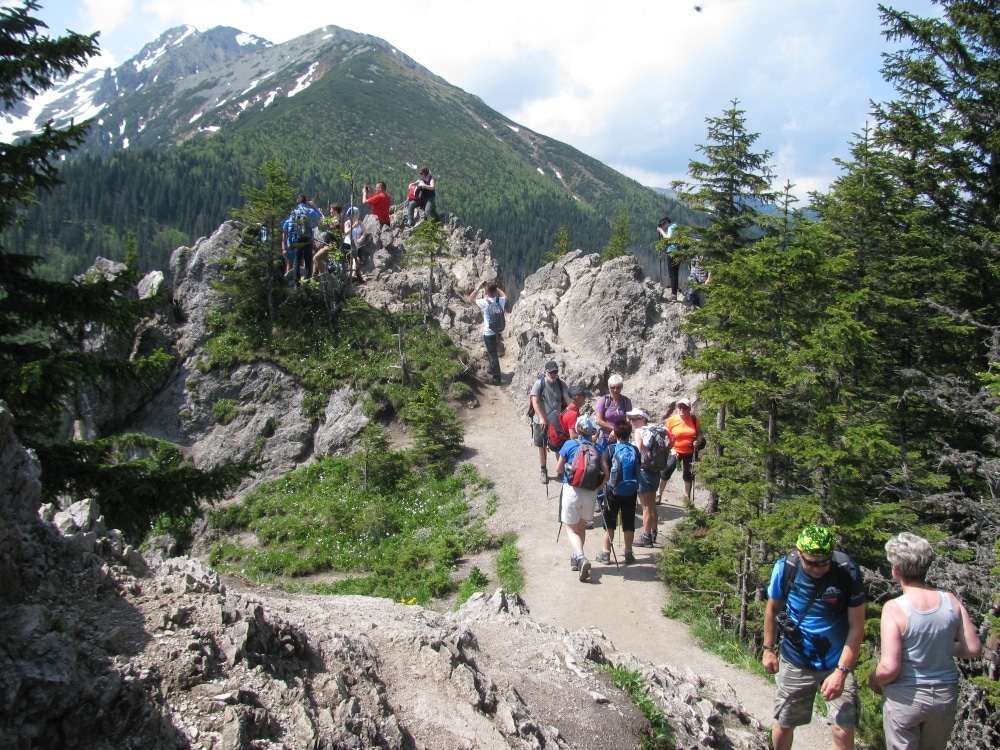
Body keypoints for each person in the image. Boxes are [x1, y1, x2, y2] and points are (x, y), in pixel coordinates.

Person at [869, 532, 982, 750]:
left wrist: (873, 680)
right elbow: (973, 649)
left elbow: (889, 668)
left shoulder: (894, 608)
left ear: (895, 570)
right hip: (944, 696)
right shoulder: (950, 600)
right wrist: (943, 647)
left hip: (906, 696)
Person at [763, 525, 866, 750]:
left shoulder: (847, 571)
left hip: (837, 661)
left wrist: (841, 671)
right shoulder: (786, 568)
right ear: (799, 553)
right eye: (811, 563)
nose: (818, 569)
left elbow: (857, 626)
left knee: (843, 728)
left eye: (824, 562)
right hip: (797, 658)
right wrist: (768, 649)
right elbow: (772, 609)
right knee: (785, 722)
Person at [554, 416, 601, 582]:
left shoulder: (569, 444)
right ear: (591, 431)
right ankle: (576, 558)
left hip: (572, 490)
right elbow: (606, 474)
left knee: (571, 529)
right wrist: (597, 489)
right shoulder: (597, 448)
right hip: (590, 493)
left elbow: (558, 469)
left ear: (577, 429)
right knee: (581, 527)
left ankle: (580, 557)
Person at [596, 419, 638, 565]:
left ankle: (606, 553)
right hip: (631, 491)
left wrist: (606, 481)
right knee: (628, 522)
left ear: (616, 433)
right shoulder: (635, 450)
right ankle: (628, 553)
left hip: (613, 491)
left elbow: (603, 465)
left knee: (609, 522)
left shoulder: (610, 449)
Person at [530, 361, 571, 484]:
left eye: (555, 372)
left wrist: (570, 412)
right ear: (545, 372)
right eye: (550, 372)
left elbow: (568, 400)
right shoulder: (539, 384)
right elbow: (535, 402)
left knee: (559, 446)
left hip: (556, 421)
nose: (553, 374)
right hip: (541, 422)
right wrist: (541, 418)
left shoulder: (561, 383)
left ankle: (560, 471)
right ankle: (543, 470)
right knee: (541, 446)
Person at [657, 398, 701, 503]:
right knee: (666, 471)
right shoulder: (672, 420)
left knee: (688, 474)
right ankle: (658, 494)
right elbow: (665, 436)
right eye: (680, 407)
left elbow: (699, 434)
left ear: (689, 409)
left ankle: (686, 498)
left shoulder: (694, 419)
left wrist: (698, 442)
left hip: (691, 451)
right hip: (675, 450)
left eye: (684, 407)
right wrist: (671, 449)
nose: (681, 409)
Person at [627, 409, 659, 547]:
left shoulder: (640, 432)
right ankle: (653, 531)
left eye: (634, 419)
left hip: (644, 471)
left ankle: (646, 537)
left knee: (645, 506)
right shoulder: (655, 430)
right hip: (655, 471)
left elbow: (638, 452)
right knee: (652, 504)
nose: (632, 422)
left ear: (642, 419)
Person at [469, 280, 507, 385]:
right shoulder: (500, 300)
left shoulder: (484, 302)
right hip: (498, 330)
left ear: (486, 291)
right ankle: (494, 369)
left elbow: (471, 299)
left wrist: (478, 287)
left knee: (492, 354)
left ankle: (496, 378)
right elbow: (505, 295)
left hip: (489, 332)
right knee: (493, 352)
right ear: (494, 290)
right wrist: (495, 288)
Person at [282, 194, 323, 286]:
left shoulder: (294, 212)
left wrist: (291, 241)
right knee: (308, 261)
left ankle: (296, 283)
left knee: (297, 261)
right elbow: (321, 217)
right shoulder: (310, 211)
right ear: (306, 201)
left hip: (297, 238)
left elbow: (290, 227)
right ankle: (307, 283)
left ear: (298, 201)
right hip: (308, 238)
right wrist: (313, 207)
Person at [657, 216, 681, 301]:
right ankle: (674, 289)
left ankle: (673, 294)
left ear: (666, 223)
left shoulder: (671, 227)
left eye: (663, 225)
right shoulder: (676, 227)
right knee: (675, 272)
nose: (663, 227)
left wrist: (661, 231)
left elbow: (668, 238)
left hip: (672, 251)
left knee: (672, 273)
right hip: (678, 251)